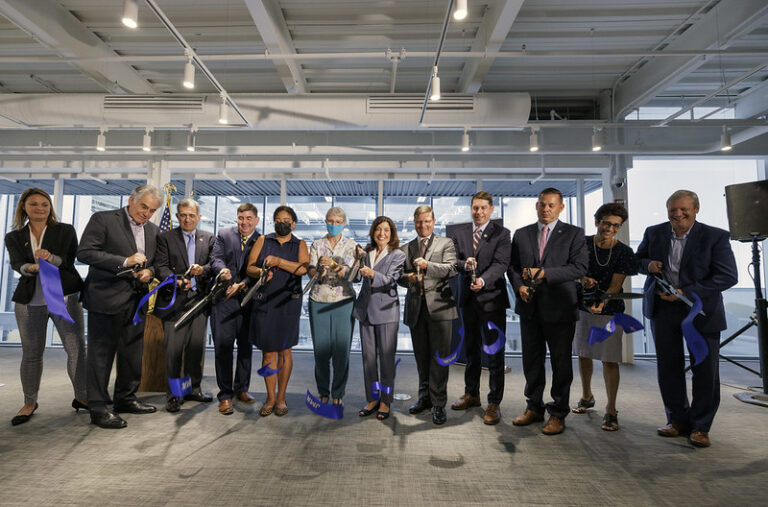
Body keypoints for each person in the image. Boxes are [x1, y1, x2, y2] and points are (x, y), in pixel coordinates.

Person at [637, 189, 737, 448]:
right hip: (663, 309)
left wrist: (686, 293)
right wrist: (648, 265)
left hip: (701, 311)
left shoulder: (715, 236)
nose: (678, 214)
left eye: (684, 209)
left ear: (696, 209)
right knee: (668, 368)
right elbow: (637, 261)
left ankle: (701, 426)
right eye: (673, 209)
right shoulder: (654, 232)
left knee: (705, 370)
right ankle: (677, 420)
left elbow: (728, 276)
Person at [77, 184, 162, 429]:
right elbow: (85, 252)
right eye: (143, 206)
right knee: (100, 356)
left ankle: (125, 398)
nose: (146, 213)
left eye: (152, 210)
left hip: (136, 302)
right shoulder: (103, 219)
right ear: (131, 199)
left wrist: (150, 271)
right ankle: (99, 407)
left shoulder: (153, 230)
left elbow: (155, 262)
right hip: (105, 298)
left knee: (132, 354)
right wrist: (124, 261)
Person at [508, 187, 588, 435]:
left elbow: (579, 268)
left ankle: (558, 413)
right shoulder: (521, 234)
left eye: (551, 205)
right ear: (537, 205)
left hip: (560, 308)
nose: (546, 209)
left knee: (560, 364)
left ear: (561, 207)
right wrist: (519, 287)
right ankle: (533, 407)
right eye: (542, 204)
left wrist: (544, 273)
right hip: (529, 307)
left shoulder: (574, 234)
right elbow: (513, 267)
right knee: (531, 361)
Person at [4, 188, 86, 426]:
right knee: (31, 354)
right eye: (34, 204)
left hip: (65, 296)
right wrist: (30, 268)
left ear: (50, 208)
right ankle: (29, 402)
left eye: (44, 204)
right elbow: (17, 264)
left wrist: (50, 259)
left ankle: (82, 397)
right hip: (30, 300)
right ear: (23, 207)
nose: (40, 208)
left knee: (76, 350)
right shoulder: (14, 236)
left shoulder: (65, 230)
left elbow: (69, 260)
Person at [571, 203, 638, 431]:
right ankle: (586, 396)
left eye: (616, 226)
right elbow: (572, 271)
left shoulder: (624, 252)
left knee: (610, 359)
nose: (610, 229)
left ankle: (611, 409)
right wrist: (583, 280)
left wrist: (602, 303)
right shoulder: (580, 244)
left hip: (609, 310)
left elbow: (616, 285)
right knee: (583, 353)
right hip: (581, 306)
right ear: (597, 221)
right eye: (606, 223)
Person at [449, 191, 510, 425]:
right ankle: (471, 393)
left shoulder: (502, 234)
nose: (479, 212)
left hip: (492, 299)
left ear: (491, 209)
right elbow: (452, 261)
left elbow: (501, 263)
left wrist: (483, 280)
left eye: (483, 208)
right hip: (468, 300)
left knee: (494, 353)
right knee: (471, 350)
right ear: (471, 209)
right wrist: (465, 265)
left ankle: (494, 402)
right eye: (475, 207)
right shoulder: (460, 233)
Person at [154, 198, 216, 413]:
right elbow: (160, 267)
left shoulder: (209, 238)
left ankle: (192, 389)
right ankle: (174, 395)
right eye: (183, 215)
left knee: (195, 349)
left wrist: (203, 270)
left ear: (199, 217)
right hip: (174, 302)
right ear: (177, 216)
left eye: (191, 215)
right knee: (173, 352)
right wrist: (177, 280)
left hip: (199, 302)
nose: (187, 219)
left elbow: (214, 265)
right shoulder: (165, 238)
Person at [247, 205, 309, 417]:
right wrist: (261, 272)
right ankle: (270, 397)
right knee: (268, 352)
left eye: (286, 220)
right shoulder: (263, 240)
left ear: (293, 224)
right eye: (278, 220)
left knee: (285, 351)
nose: (282, 223)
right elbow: (250, 267)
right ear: (274, 222)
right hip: (265, 302)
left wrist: (279, 262)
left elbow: (303, 269)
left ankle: (281, 397)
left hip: (288, 302)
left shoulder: (300, 244)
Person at [399, 205, 458, 425]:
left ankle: (439, 404)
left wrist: (427, 265)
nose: (423, 225)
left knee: (439, 359)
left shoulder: (446, 243)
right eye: (419, 221)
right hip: (416, 309)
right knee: (422, 358)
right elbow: (399, 276)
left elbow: (451, 269)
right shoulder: (406, 248)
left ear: (433, 222)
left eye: (427, 221)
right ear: (414, 223)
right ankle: (424, 398)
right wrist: (408, 278)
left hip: (440, 308)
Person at [210, 202, 261, 415]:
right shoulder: (224, 235)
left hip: (248, 301)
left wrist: (243, 284)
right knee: (223, 347)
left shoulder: (261, 240)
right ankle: (225, 395)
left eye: (249, 218)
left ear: (256, 220)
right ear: (237, 218)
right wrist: (222, 271)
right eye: (241, 218)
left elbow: (260, 268)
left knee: (246, 347)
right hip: (224, 300)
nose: (244, 222)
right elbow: (216, 258)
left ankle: (242, 389)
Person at [353, 216, 406, 421]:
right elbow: (356, 278)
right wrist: (357, 262)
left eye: (386, 230)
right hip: (365, 310)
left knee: (386, 359)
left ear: (391, 234)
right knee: (368, 359)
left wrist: (372, 273)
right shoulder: (366, 253)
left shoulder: (397, 255)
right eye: (378, 229)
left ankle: (385, 400)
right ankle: (373, 398)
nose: (381, 233)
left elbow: (391, 280)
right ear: (373, 232)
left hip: (386, 311)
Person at [307, 207, 357, 407]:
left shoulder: (352, 246)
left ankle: (338, 392)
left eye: (337, 222)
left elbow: (354, 275)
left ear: (343, 224)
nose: (333, 225)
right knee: (320, 352)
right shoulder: (317, 245)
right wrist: (318, 270)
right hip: (319, 300)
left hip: (344, 302)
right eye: (330, 221)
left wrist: (336, 266)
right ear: (325, 222)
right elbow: (310, 271)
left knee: (341, 351)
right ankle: (323, 392)